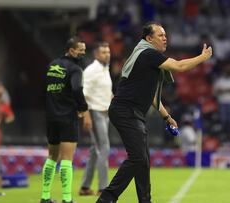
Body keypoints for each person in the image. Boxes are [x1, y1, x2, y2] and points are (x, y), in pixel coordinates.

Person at [96, 21, 212, 203]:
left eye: (165, 35)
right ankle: (107, 198)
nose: (165, 38)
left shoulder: (143, 55)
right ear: (149, 39)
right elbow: (179, 66)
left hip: (130, 112)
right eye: (160, 35)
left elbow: (152, 97)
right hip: (126, 111)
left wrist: (167, 117)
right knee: (138, 158)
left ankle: (145, 200)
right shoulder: (148, 54)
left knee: (142, 160)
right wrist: (202, 58)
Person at [40, 36, 88, 203]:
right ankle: (67, 199)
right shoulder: (75, 69)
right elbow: (76, 89)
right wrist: (83, 108)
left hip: (51, 116)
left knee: (51, 156)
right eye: (80, 51)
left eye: (84, 50)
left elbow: (45, 89)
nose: (83, 54)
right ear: (71, 50)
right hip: (67, 116)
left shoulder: (52, 65)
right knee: (67, 158)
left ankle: (45, 196)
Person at [79, 42, 113, 196]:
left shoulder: (105, 69)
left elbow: (103, 90)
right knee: (104, 148)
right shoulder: (92, 70)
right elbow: (83, 93)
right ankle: (103, 188)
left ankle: (85, 187)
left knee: (95, 150)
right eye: (104, 52)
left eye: (108, 51)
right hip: (95, 112)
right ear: (96, 55)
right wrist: (86, 116)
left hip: (104, 112)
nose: (107, 54)